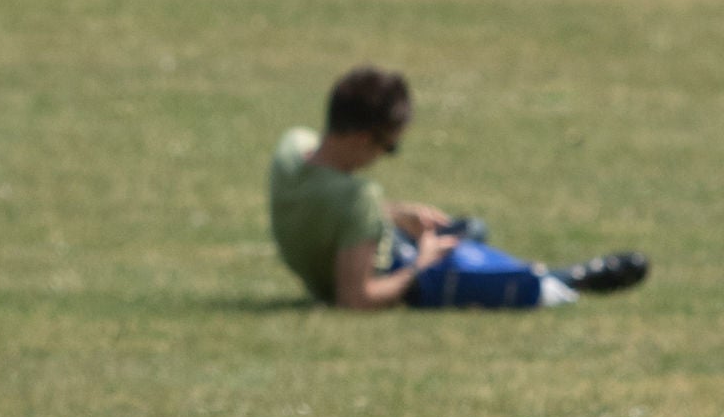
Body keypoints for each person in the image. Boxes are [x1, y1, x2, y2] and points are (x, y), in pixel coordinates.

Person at [270, 65, 647, 310]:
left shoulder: (292, 147)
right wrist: (422, 264)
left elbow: (321, 202)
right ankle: (571, 276)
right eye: (390, 146)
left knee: (470, 230)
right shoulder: (358, 199)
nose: (386, 156)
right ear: (364, 137)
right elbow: (355, 299)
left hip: (372, 241)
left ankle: (560, 274)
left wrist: (396, 214)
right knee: (519, 284)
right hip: (401, 271)